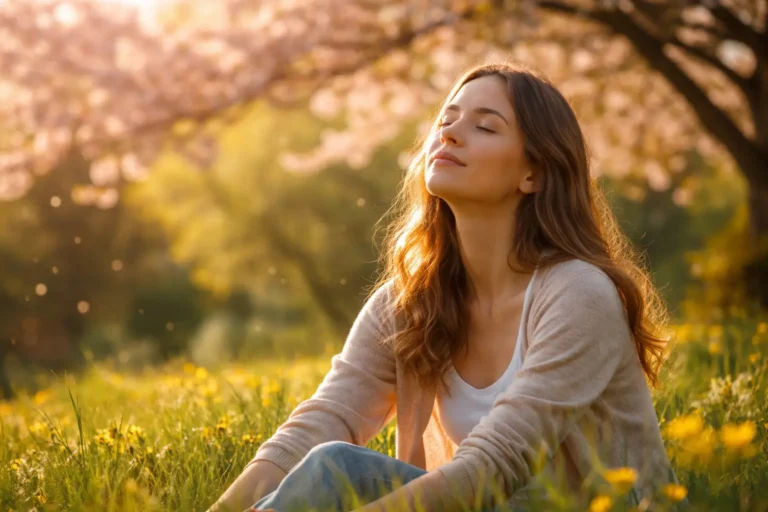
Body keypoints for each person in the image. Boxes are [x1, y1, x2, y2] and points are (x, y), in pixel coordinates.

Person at [208, 61, 683, 512]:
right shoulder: (411, 300)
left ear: (533, 173)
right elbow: (327, 417)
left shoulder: (578, 294)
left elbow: (495, 466)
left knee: (338, 469)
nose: (449, 133)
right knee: (329, 456)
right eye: (447, 120)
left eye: (485, 126)